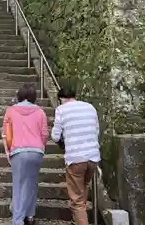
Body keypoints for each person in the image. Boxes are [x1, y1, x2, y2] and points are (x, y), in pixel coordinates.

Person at [51, 86, 101, 225]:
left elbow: (55, 136)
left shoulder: (61, 109)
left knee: (77, 199)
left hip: (75, 158)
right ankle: (78, 219)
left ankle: (80, 220)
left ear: (61, 98)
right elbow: (96, 131)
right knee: (83, 188)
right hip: (93, 156)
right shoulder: (90, 107)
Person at [2, 83, 49, 225]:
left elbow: (5, 134)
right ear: (34, 96)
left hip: (18, 151)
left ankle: (17, 220)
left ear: (19, 95)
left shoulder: (11, 111)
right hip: (36, 151)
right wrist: (40, 146)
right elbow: (45, 134)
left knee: (19, 184)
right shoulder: (40, 112)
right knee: (32, 183)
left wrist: (7, 151)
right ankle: (30, 215)